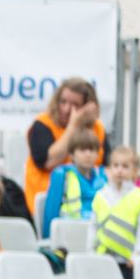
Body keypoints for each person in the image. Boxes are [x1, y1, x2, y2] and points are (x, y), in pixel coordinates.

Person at [25, 78, 109, 220]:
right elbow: (47, 161)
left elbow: (106, 165)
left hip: (89, 201)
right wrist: (73, 126)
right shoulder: (43, 123)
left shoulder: (97, 129)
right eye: (63, 102)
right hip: (49, 199)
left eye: (75, 105)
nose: (66, 109)